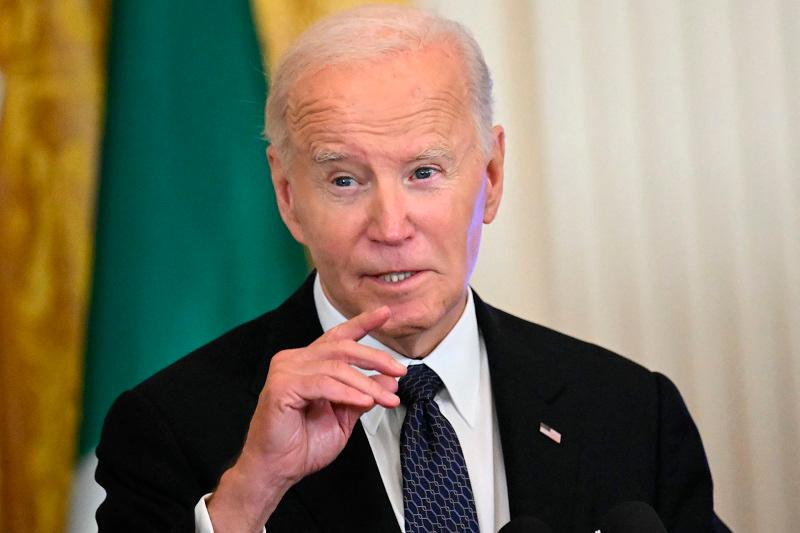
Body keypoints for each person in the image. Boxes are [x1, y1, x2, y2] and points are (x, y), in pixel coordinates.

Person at [94, 5, 729, 532]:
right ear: (288, 197)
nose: (391, 227)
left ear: (491, 176)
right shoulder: (167, 429)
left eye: (424, 173)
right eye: (344, 180)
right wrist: (246, 500)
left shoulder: (629, 411)